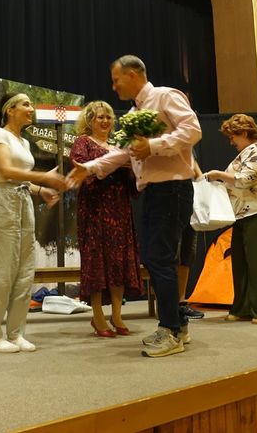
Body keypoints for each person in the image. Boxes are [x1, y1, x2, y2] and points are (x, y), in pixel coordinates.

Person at [68, 55, 202, 358]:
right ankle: (177, 325)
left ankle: (170, 330)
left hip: (172, 189)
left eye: (116, 80)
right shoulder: (134, 112)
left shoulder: (165, 96)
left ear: (132, 75)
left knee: (159, 259)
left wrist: (153, 145)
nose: (113, 86)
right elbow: (122, 154)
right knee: (156, 259)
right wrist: (89, 168)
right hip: (154, 192)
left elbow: (193, 130)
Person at [0, 92, 66, 353]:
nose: (31, 109)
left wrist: (41, 191)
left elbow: (22, 180)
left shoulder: (24, 142)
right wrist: (44, 178)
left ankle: (16, 333)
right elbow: (5, 172)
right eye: (26, 104)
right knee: (2, 273)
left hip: (23, 203)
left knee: (24, 272)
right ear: (10, 109)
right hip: (2, 203)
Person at [70, 101, 143, 338]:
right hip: (94, 209)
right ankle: (98, 315)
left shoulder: (120, 145)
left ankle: (117, 314)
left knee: (119, 261)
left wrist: (131, 167)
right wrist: (111, 165)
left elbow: (133, 180)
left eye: (108, 117)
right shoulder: (82, 143)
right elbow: (81, 172)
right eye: (100, 117)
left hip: (120, 209)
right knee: (97, 262)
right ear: (90, 120)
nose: (105, 121)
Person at [204, 114, 257, 324]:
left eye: (233, 137)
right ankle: (242, 308)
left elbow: (246, 179)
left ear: (245, 133)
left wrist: (218, 174)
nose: (231, 142)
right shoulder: (244, 154)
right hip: (242, 215)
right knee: (240, 264)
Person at [177, 161, 205, 320]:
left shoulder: (188, 149)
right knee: (171, 256)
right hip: (169, 203)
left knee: (186, 256)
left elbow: (197, 173)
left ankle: (180, 302)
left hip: (190, 204)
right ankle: (167, 304)